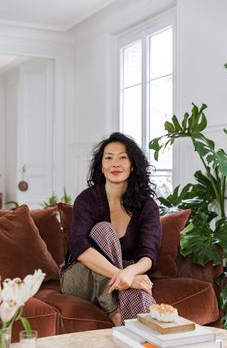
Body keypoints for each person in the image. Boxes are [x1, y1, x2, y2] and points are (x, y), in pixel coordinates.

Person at [60, 132, 162, 326]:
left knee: (140, 291)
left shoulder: (147, 206)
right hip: (79, 277)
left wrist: (131, 272)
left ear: (133, 165)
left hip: (120, 275)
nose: (115, 163)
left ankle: (141, 338)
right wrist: (125, 277)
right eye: (108, 158)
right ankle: (114, 311)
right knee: (104, 230)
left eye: (122, 157)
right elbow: (79, 247)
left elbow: (148, 253)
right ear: (101, 166)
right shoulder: (87, 199)